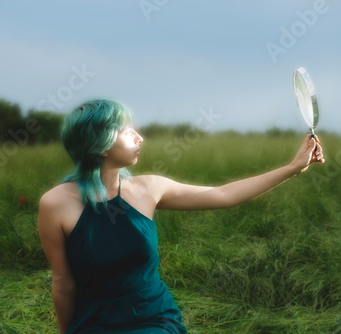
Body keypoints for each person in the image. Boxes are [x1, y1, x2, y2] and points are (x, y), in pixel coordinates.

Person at [37, 99, 324, 334]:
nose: (139, 137)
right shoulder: (55, 204)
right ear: (99, 144)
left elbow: (225, 195)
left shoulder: (148, 189)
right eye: (126, 131)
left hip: (152, 319)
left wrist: (293, 168)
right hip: (93, 324)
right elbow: (64, 283)